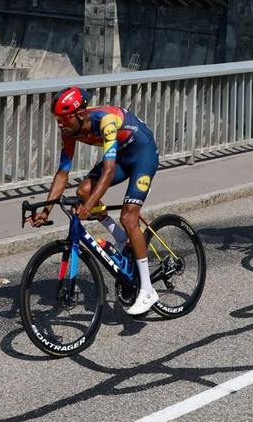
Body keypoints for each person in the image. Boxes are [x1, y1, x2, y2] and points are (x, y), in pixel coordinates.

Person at [29, 87, 162, 316]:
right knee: (83, 190)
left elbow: (108, 172)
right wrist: (46, 210)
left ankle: (148, 290)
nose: (59, 124)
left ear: (79, 114)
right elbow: (62, 174)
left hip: (142, 152)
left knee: (129, 216)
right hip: (122, 154)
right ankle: (120, 237)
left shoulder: (106, 121)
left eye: (63, 118)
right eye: (57, 119)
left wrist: (89, 207)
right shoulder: (68, 132)